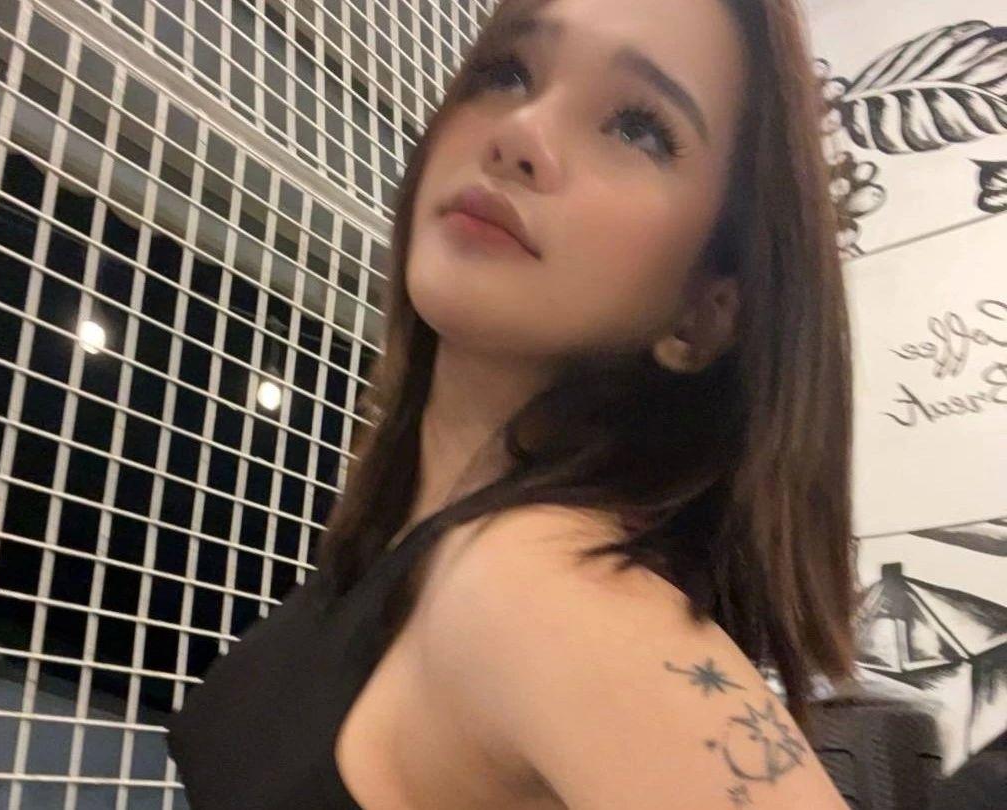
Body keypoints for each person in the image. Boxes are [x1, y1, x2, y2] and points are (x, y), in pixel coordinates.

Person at [164, 0, 857, 807]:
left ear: (706, 310)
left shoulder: (542, 590)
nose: (521, 133)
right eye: (505, 73)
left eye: (637, 128)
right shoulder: (410, 555)